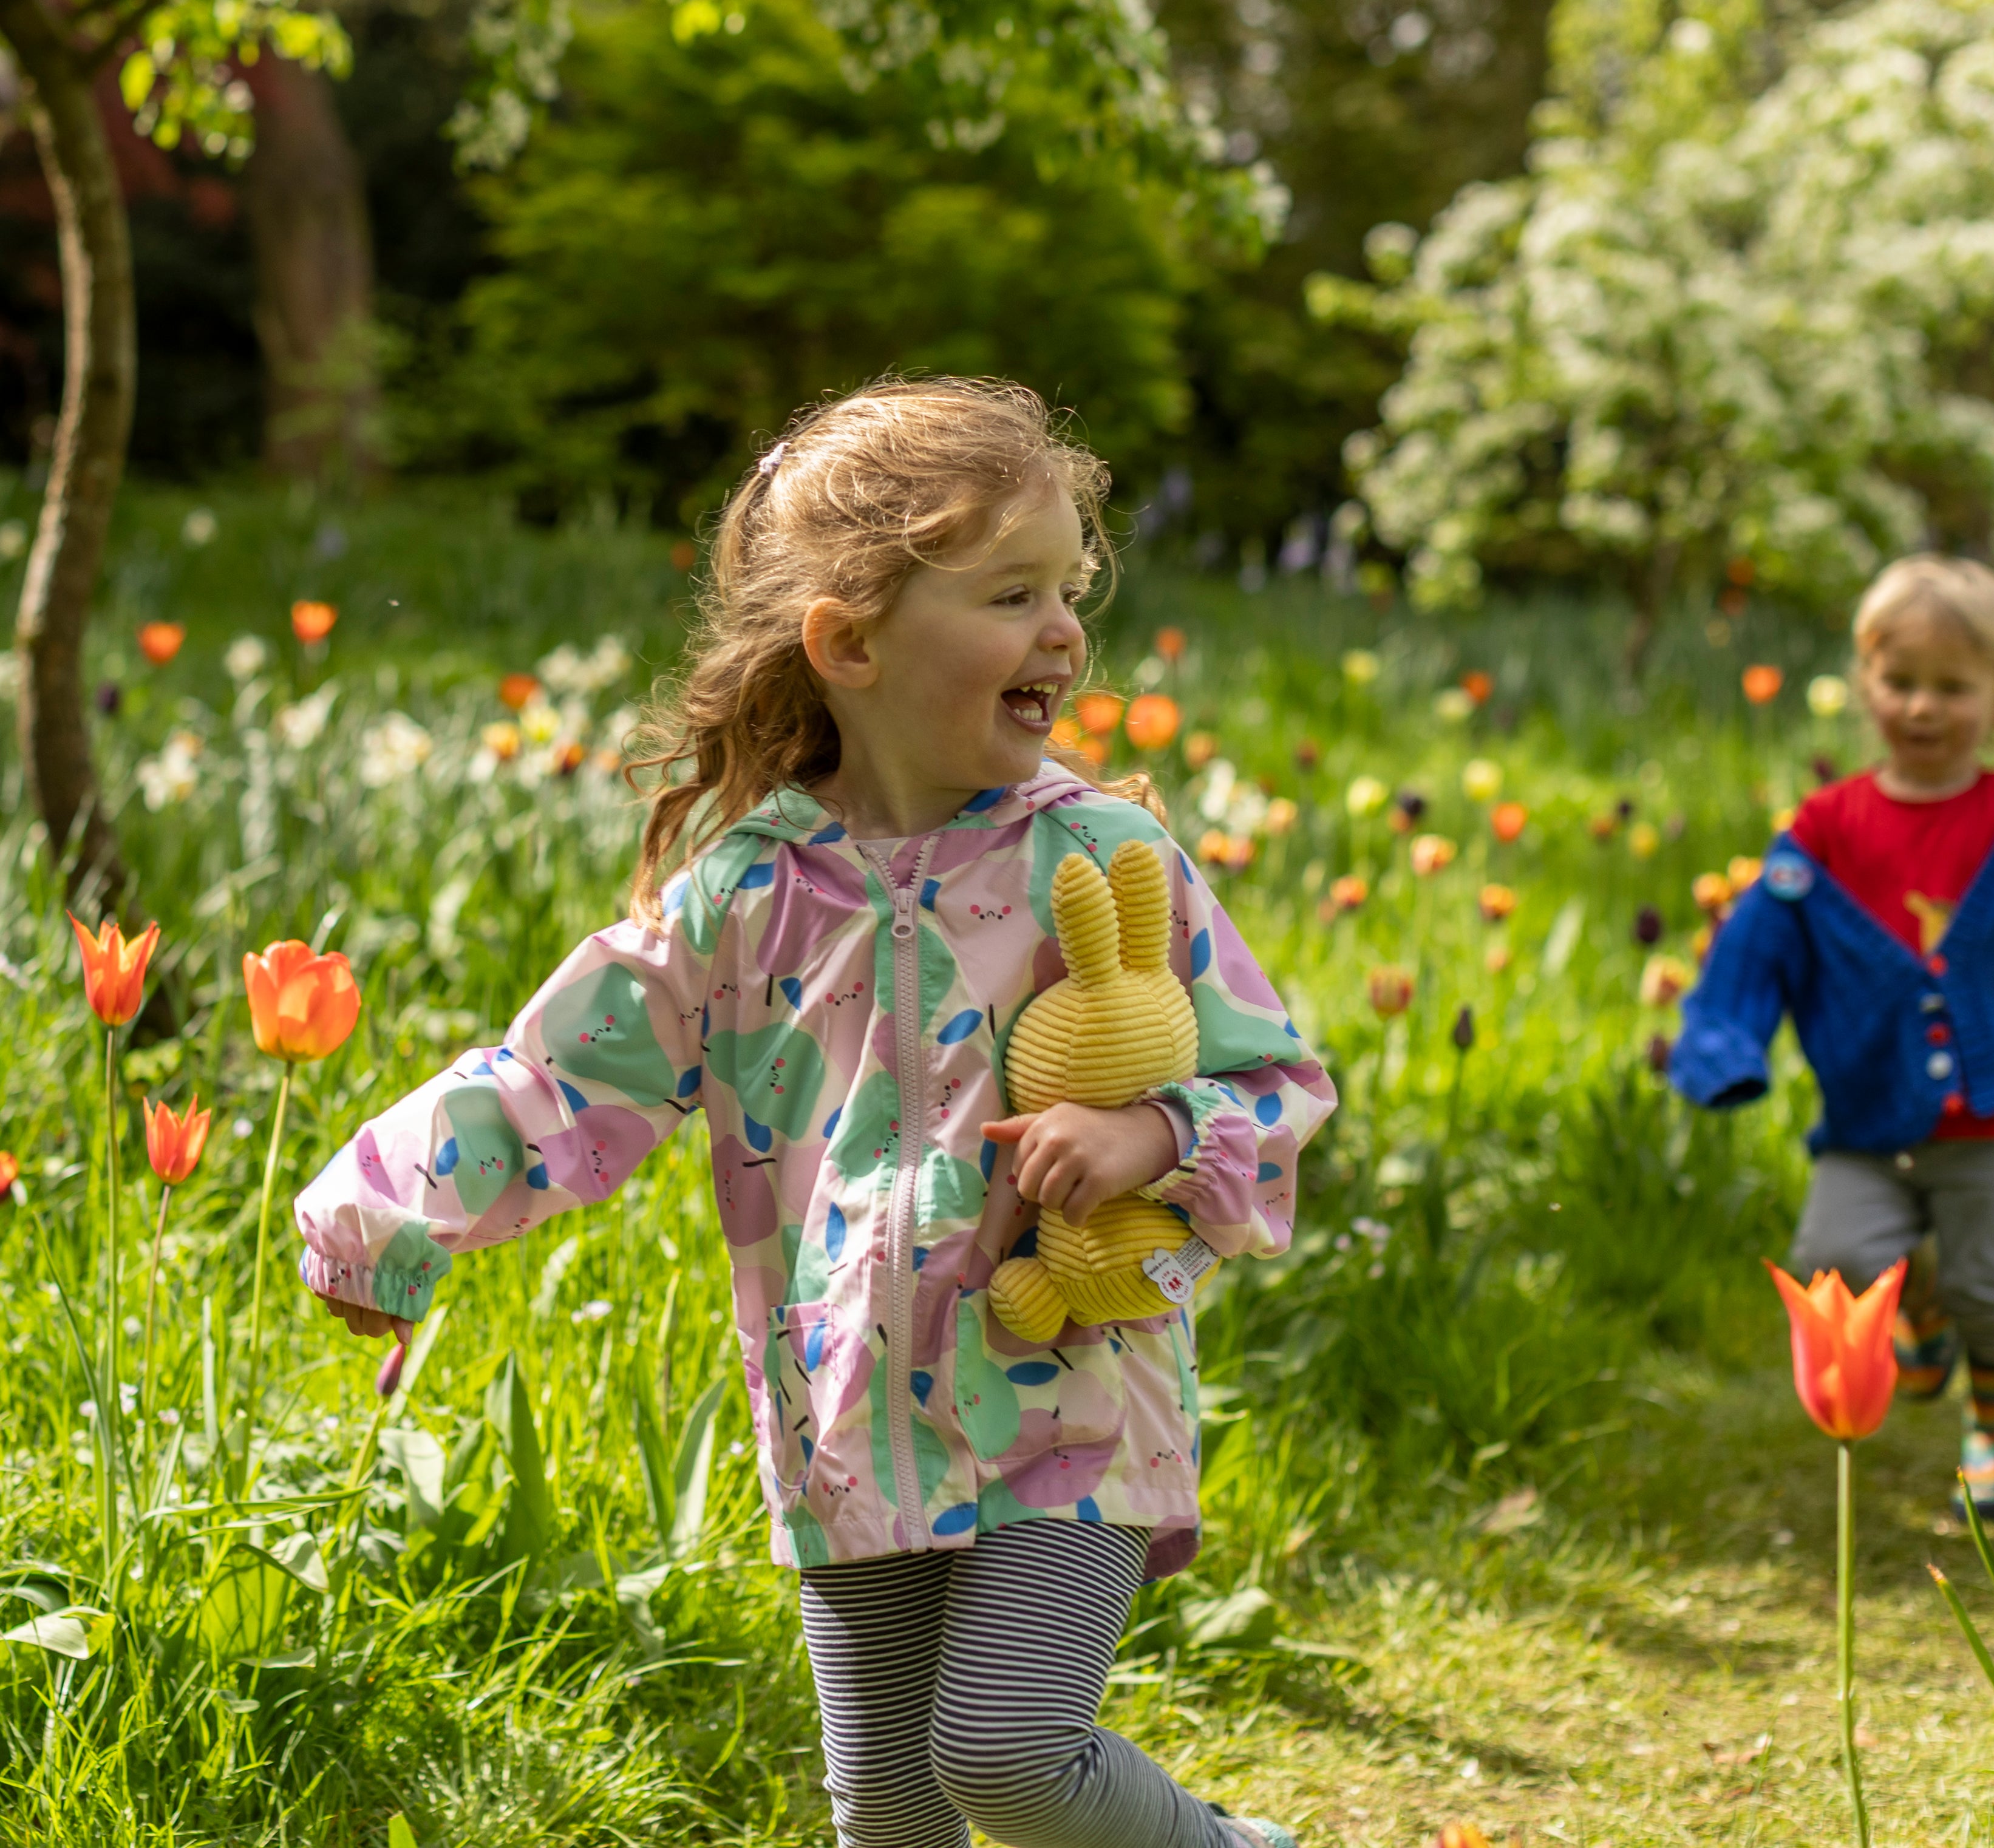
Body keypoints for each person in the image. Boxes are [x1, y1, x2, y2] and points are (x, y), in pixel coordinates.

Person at [291, 378, 1334, 1848]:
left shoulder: (1102, 856)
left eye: (1066, 590)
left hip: (1069, 1401)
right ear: (847, 643)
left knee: (1003, 1751)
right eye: (1010, 593)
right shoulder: (743, 897)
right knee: (888, 1809)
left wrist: (1151, 1136)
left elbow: (1273, 1079)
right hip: (843, 1412)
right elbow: (549, 1080)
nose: (1063, 633)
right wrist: (370, 1215)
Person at [1670, 555, 1994, 1510]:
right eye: (1899, 681)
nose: (1921, 707)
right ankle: (1919, 1313)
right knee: (1837, 1259)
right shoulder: (1827, 829)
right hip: (1867, 1117)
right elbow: (1755, 950)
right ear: (1865, 683)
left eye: (1952, 687)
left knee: (1992, 1284)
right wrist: (1721, 1047)